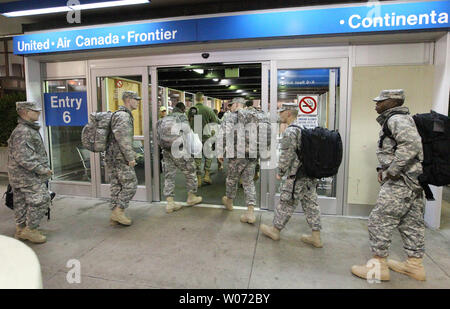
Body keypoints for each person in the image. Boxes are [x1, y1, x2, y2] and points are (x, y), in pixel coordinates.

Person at [352, 89, 426, 282]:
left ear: (392, 102)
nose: (376, 105)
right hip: (414, 182)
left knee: (379, 221)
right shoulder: (403, 119)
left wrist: (390, 171)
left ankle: (379, 267)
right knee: (411, 224)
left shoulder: (396, 120)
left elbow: (411, 146)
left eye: (380, 102)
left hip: (400, 183)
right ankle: (414, 266)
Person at [260, 103, 323, 247]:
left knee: (286, 202)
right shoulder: (305, 127)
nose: (279, 114)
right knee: (311, 204)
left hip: (297, 175)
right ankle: (316, 236)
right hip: (309, 173)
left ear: (288, 113)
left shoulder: (291, 131)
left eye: (281, 112)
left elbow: (286, 155)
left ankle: (275, 230)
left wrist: (280, 172)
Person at [7, 101, 52, 244]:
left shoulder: (26, 129)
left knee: (21, 202)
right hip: (26, 176)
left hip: (20, 176)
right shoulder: (24, 131)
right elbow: (24, 158)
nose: (38, 113)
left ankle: (21, 229)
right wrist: (43, 170)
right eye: (35, 111)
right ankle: (30, 229)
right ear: (25, 112)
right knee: (42, 199)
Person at [218, 97, 258, 223]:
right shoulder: (254, 116)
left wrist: (220, 152)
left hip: (235, 154)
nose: (230, 107)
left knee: (232, 179)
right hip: (251, 154)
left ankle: (229, 202)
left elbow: (222, 135)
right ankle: (250, 212)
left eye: (231, 105)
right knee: (248, 182)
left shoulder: (230, 117)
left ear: (236, 104)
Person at [158, 102, 202, 213]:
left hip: (166, 150)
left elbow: (158, 135)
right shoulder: (182, 117)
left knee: (169, 175)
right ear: (183, 109)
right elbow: (187, 134)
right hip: (179, 150)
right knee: (191, 171)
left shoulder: (164, 118)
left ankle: (169, 203)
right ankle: (191, 197)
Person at [106, 90, 140, 226]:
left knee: (117, 186)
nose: (137, 102)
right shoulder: (124, 117)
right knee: (131, 185)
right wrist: (130, 158)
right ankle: (119, 211)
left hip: (112, 157)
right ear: (128, 99)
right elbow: (123, 140)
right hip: (120, 158)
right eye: (136, 99)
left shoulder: (117, 115)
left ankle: (115, 214)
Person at [187, 92, 219, 187]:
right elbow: (215, 122)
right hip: (206, 137)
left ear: (195, 99)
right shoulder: (208, 110)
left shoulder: (190, 110)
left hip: (195, 137)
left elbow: (187, 123)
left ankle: (199, 179)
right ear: (203, 99)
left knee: (197, 158)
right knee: (208, 156)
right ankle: (207, 175)